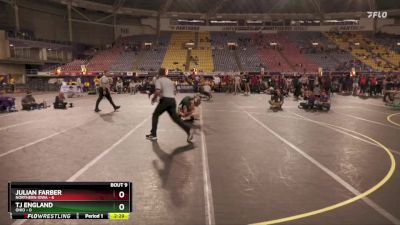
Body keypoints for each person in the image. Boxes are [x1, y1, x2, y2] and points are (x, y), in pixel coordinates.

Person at [146, 68, 194, 141]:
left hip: (165, 100)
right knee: (176, 119)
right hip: (172, 101)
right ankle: (188, 130)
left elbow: (158, 91)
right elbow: (174, 92)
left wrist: (154, 98)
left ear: (159, 73)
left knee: (155, 115)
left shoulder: (158, 80)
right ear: (165, 73)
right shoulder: (170, 81)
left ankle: (153, 135)